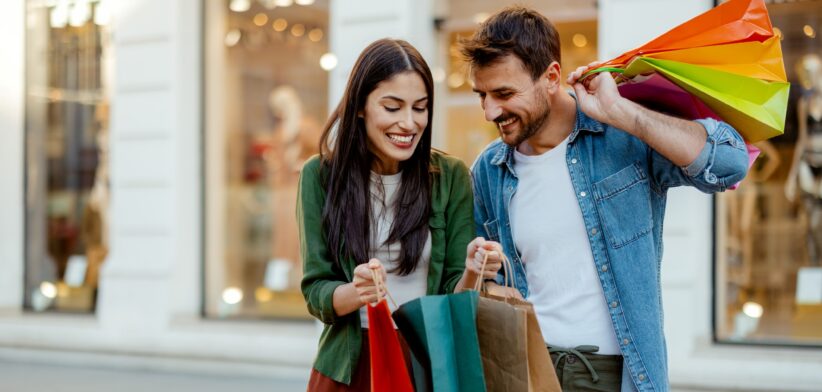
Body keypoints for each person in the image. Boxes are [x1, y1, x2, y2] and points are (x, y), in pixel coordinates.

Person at [462, 7, 750, 391]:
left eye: (503, 94)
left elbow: (730, 163)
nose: (489, 111)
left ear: (551, 77)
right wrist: (487, 278)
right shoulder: (489, 170)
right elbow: (492, 286)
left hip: (618, 377)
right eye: (482, 95)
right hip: (529, 372)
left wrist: (621, 112)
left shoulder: (621, 137)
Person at [298, 38, 503, 391]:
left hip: (426, 363)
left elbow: (456, 299)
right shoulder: (320, 176)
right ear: (361, 106)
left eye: (420, 108)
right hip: (350, 367)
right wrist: (357, 290)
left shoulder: (450, 176)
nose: (408, 123)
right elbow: (316, 292)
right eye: (392, 107)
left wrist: (472, 271)